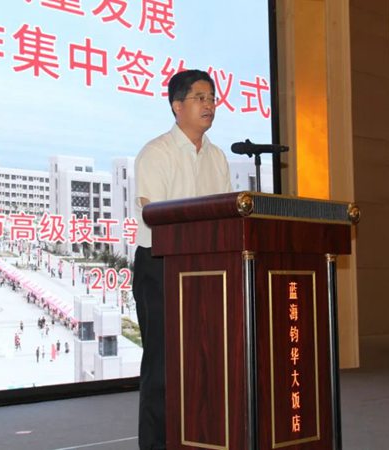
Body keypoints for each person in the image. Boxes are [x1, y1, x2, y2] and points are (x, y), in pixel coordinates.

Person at [133, 69, 231, 449]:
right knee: (163, 366)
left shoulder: (217, 157)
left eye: (212, 98)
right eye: (200, 98)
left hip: (208, 270)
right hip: (160, 267)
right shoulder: (156, 153)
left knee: (205, 362)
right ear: (177, 106)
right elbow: (153, 214)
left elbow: (225, 217)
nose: (209, 105)